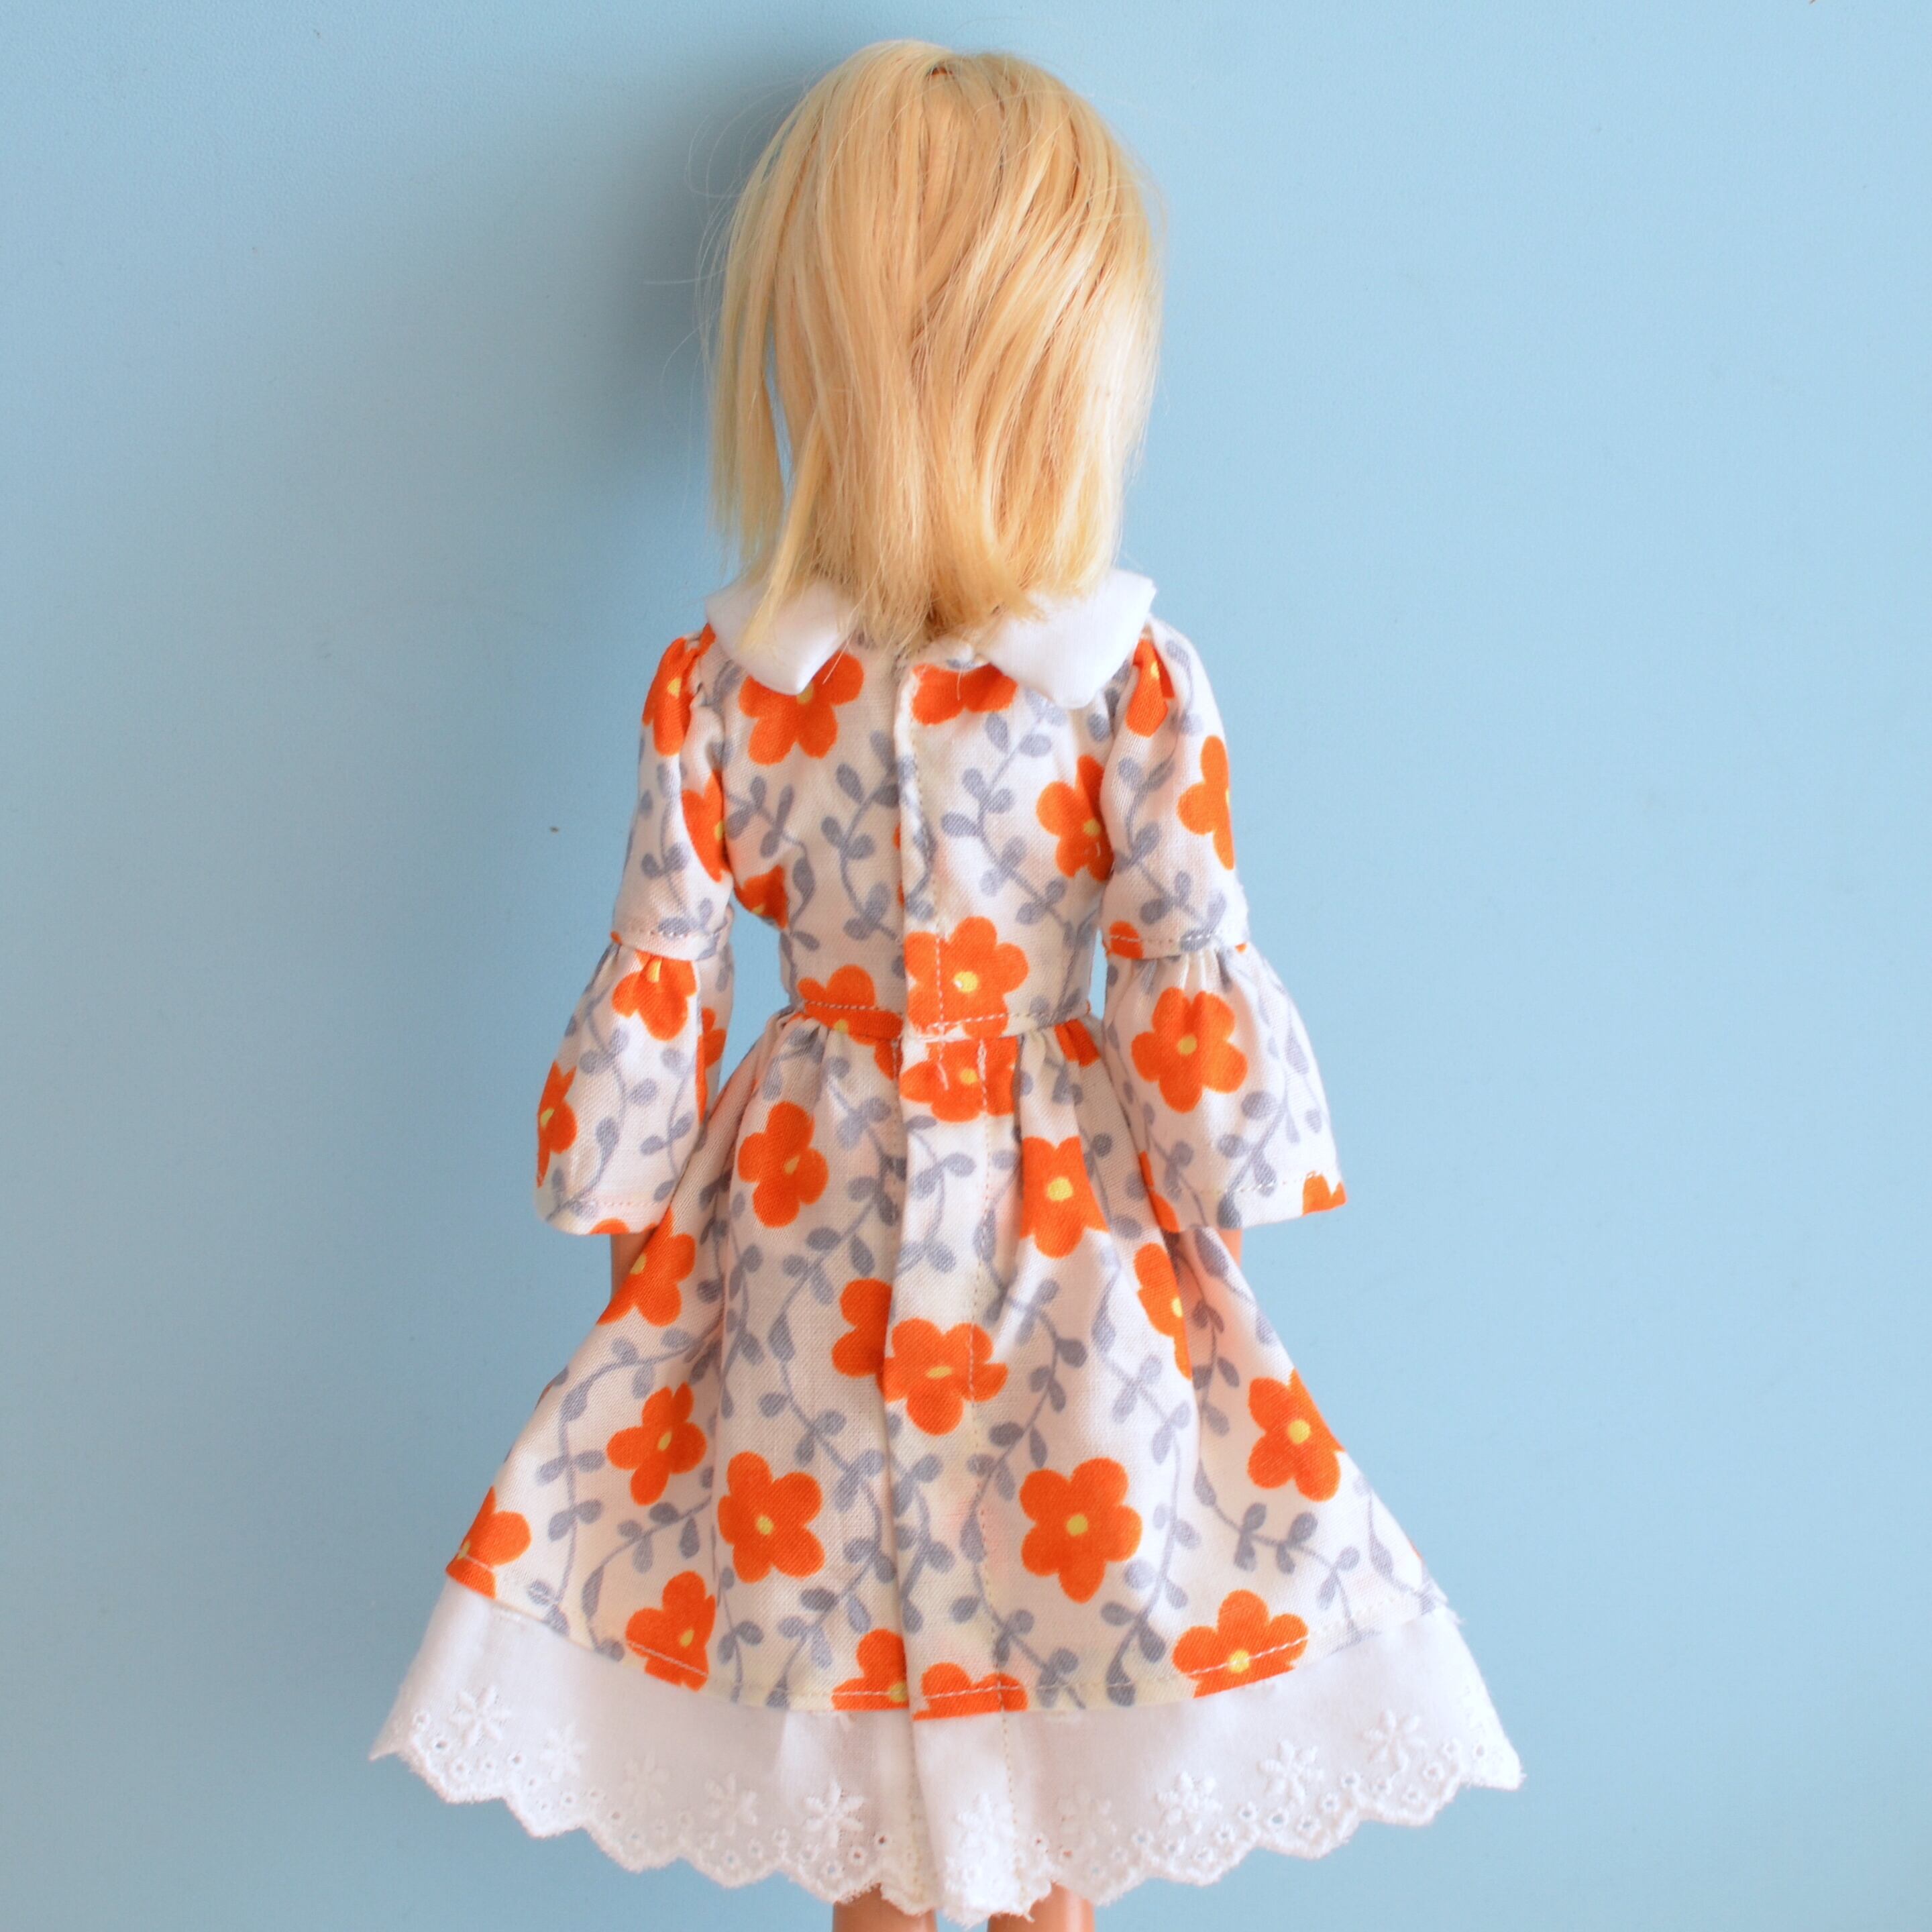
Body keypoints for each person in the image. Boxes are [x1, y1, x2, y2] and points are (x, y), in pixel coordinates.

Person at [372, 41, 1522, 1928]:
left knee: (1059, 1693)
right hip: (845, 1250)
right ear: (1072, 374)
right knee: (868, 1714)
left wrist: (1203, 1224)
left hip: (1006, 1245)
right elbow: (675, 961)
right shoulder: (741, 684)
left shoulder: (1110, 681)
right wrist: (642, 1240)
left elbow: (1167, 956)